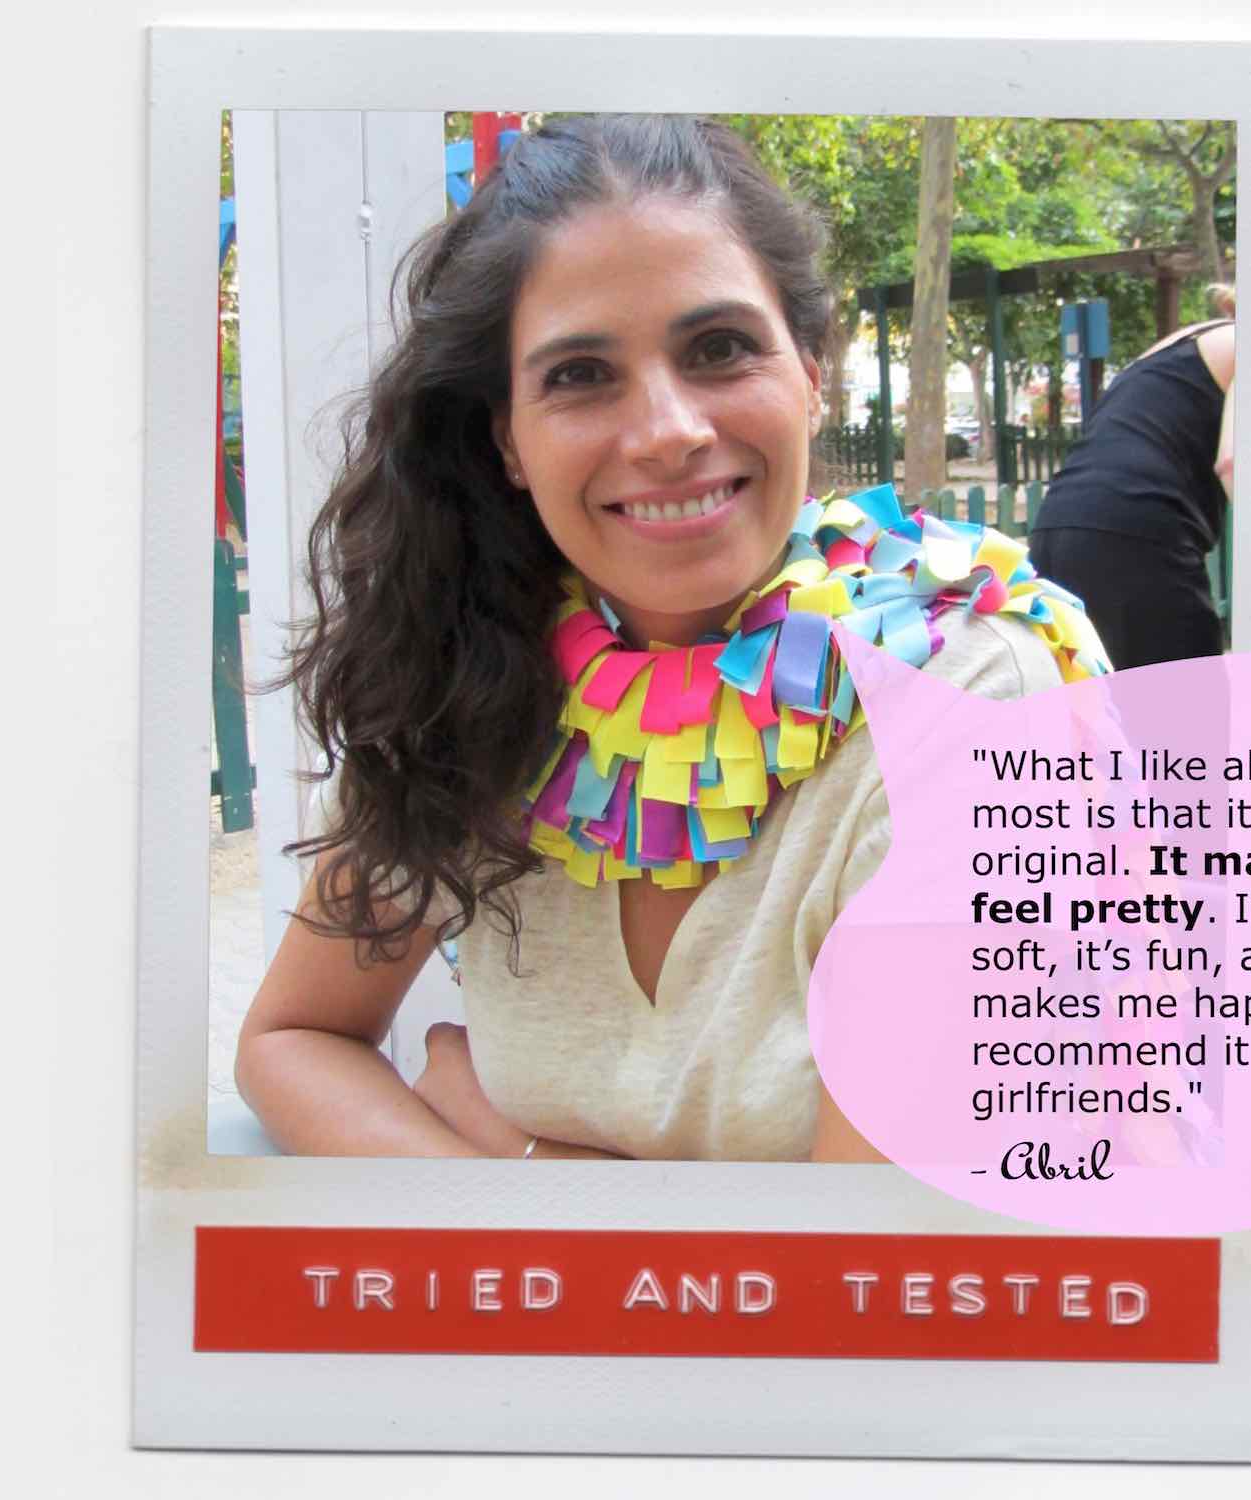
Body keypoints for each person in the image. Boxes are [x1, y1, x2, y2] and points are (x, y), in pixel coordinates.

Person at [235, 114, 1106, 1163]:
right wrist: (507, 1188)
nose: (668, 431)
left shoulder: (977, 701)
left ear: (812, 372)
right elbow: (292, 1037)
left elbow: (860, 1286)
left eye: (720, 349)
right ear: (508, 439)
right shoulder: (465, 669)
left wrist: (506, 1139)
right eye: (579, 375)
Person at [1027, 305, 1236, 671]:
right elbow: (1234, 462)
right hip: (1136, 532)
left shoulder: (1186, 343)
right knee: (1189, 714)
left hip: (1058, 523)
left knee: (1100, 708)